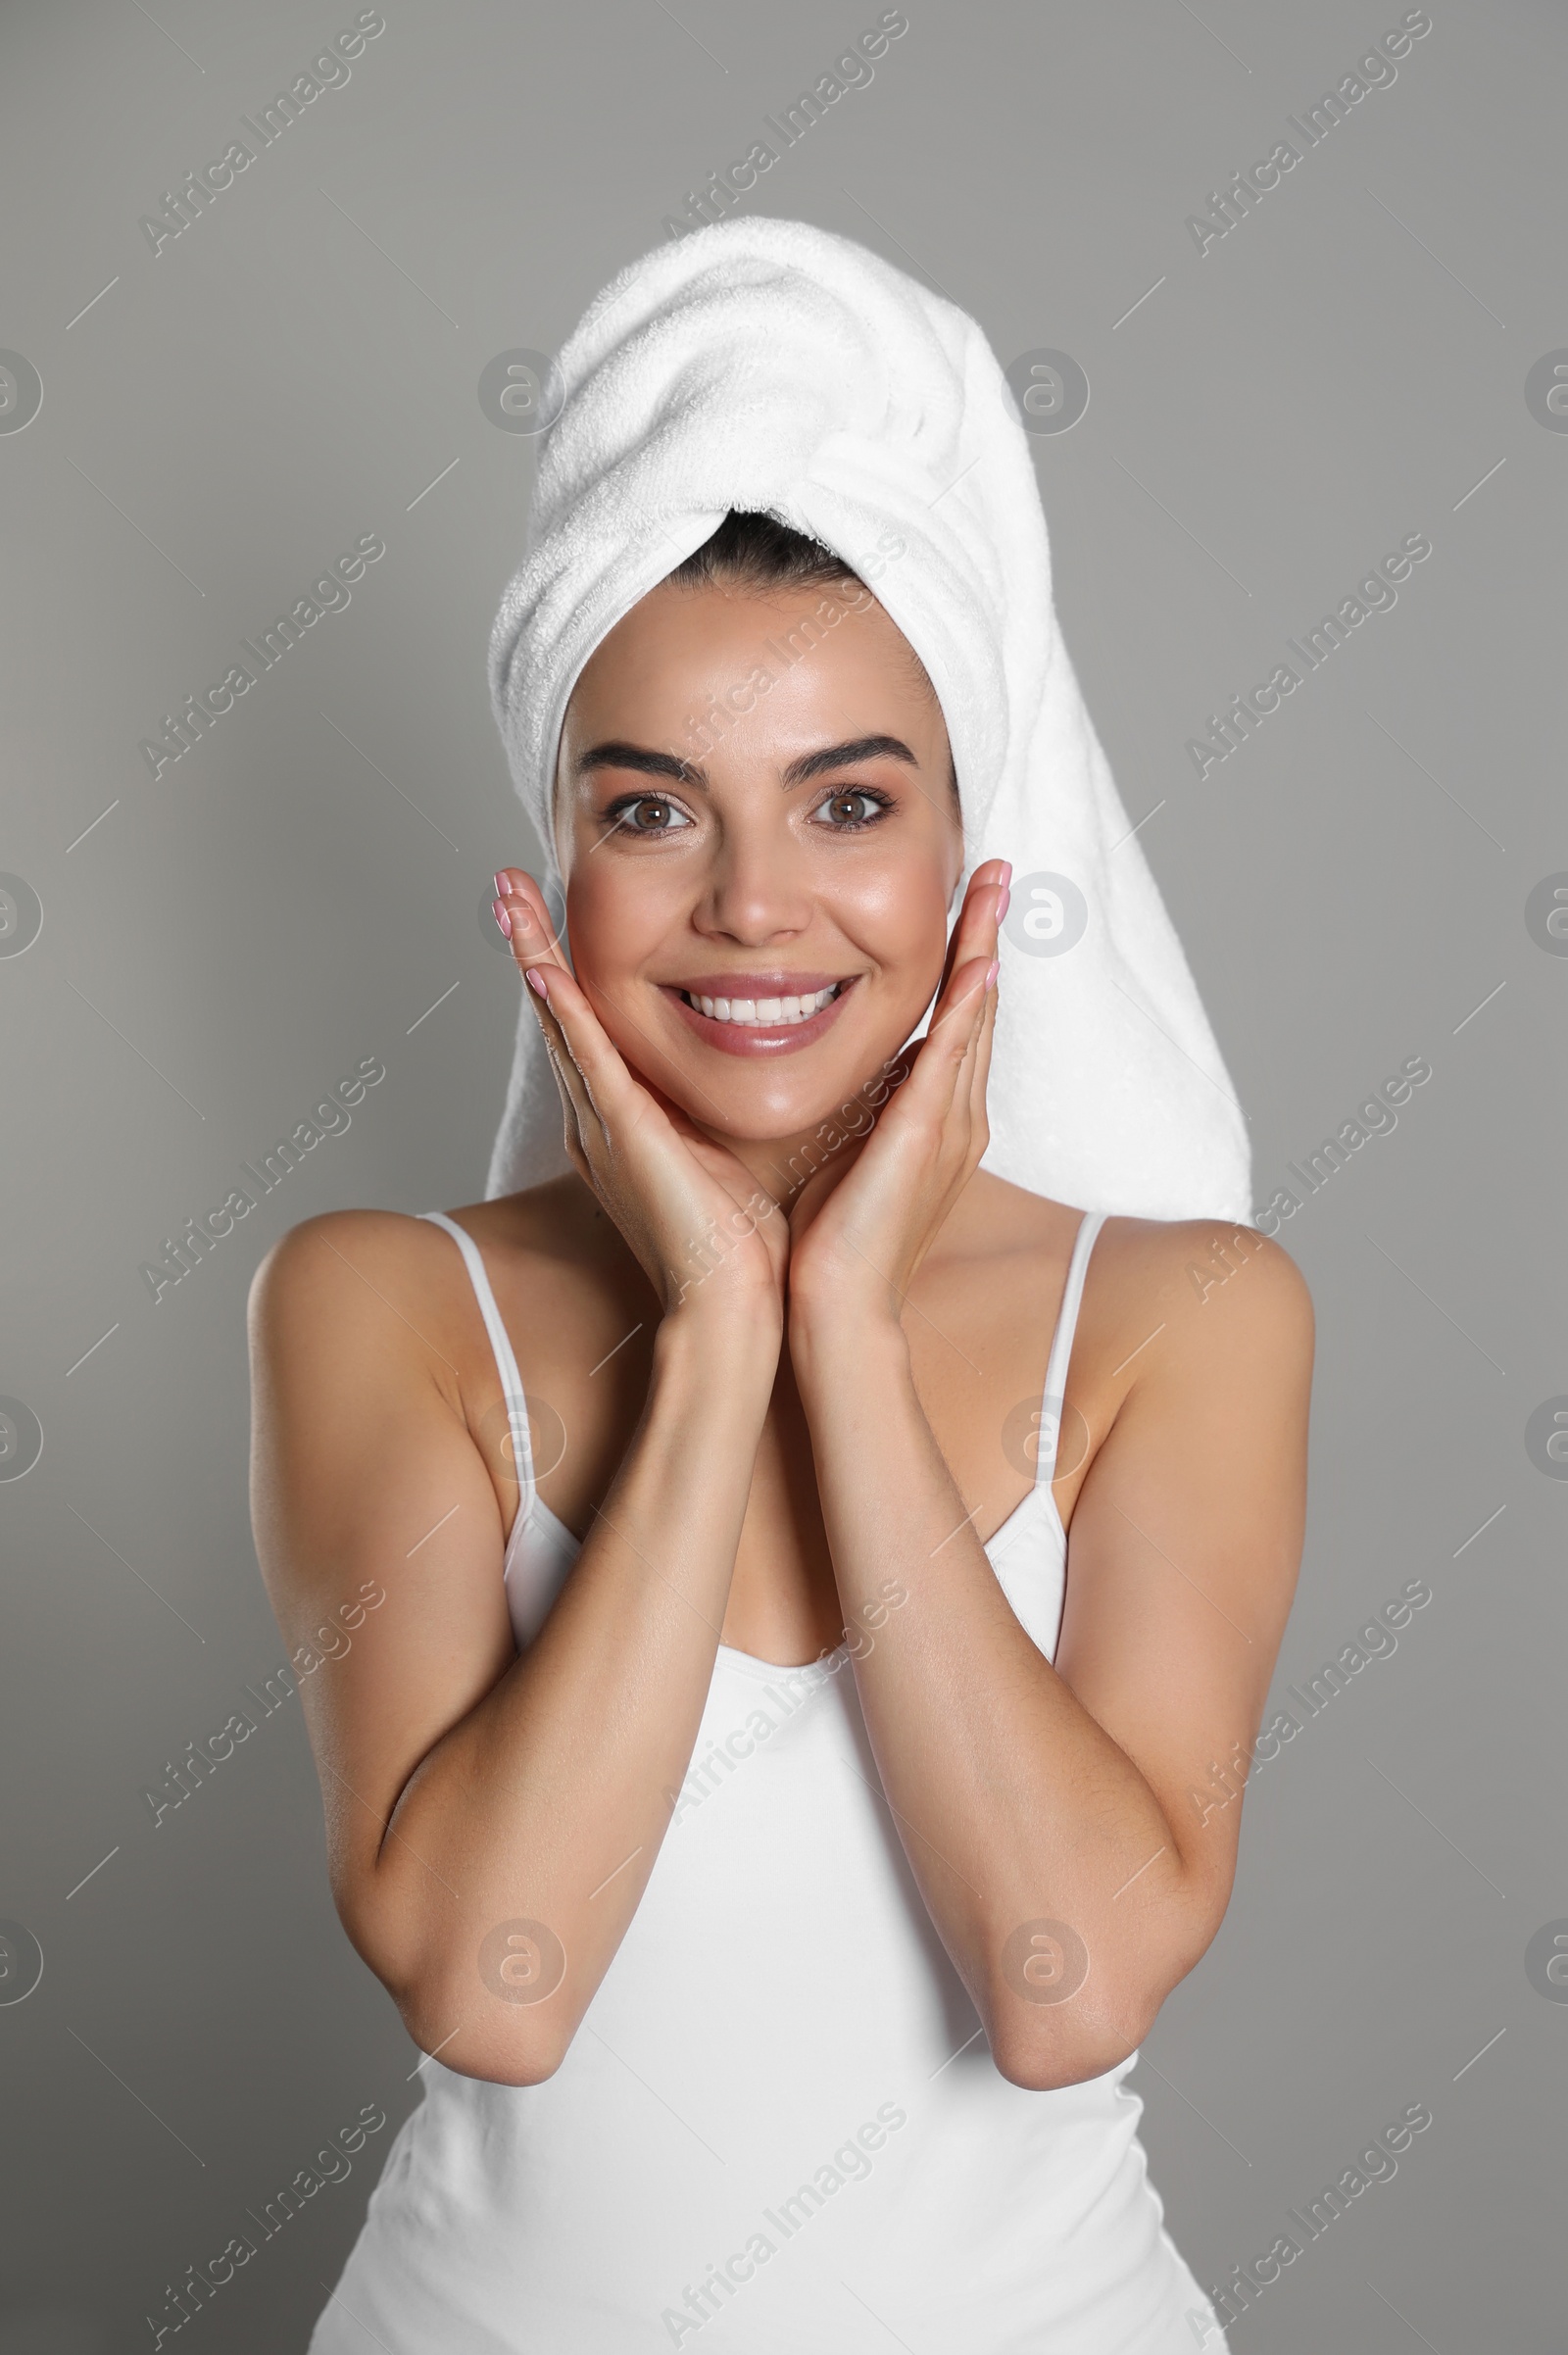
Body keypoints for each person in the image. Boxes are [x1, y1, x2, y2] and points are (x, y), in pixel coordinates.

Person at [249, 234, 1311, 2354]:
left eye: (848, 799)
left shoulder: (1184, 1319)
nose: (751, 904)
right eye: (651, 806)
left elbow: (1058, 1979)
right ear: (554, 859)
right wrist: (718, 1331)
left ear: (967, 850)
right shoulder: (378, 1305)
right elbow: (494, 1977)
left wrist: (841, 1333)